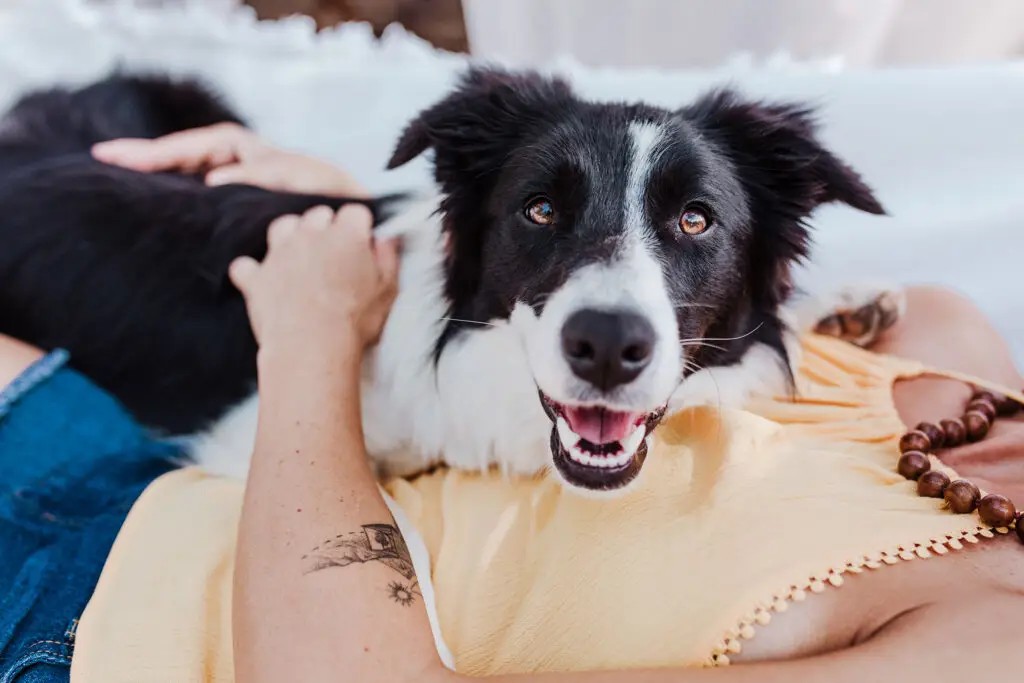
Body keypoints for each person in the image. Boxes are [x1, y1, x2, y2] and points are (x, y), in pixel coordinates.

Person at [1, 124, 1022, 683]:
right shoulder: (943, 340)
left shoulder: (984, 644)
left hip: (99, 633)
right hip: (153, 474)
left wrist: (310, 334)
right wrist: (358, 220)